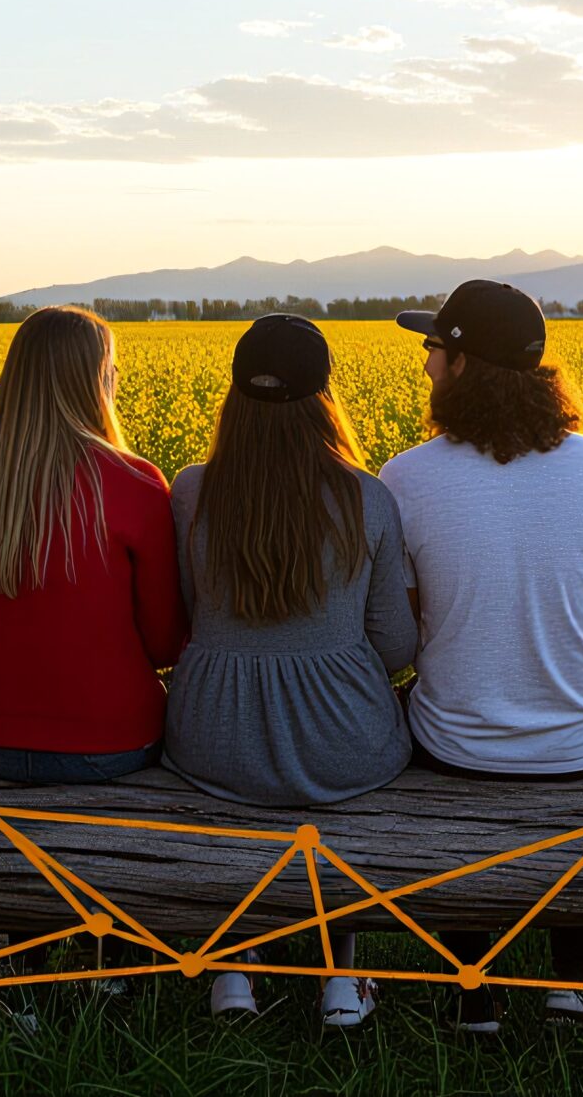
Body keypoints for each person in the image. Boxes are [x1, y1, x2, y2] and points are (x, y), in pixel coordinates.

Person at [380, 279, 583, 1037]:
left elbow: (408, 635)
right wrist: (560, 658)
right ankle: (567, 990)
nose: (427, 364)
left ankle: (475, 994)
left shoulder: (405, 478)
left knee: (429, 731)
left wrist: (483, 656)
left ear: (465, 363)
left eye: (434, 348)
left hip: (458, 746)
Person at [0, 306, 184, 1024]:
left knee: (24, 813)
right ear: (91, 381)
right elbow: (165, 642)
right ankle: (117, 972)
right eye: (111, 373)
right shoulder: (135, 482)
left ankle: (26, 978)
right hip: (111, 743)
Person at [160, 315, 414, 1029]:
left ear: (233, 398)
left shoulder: (191, 490)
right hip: (345, 742)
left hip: (213, 734)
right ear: (323, 399)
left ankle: (233, 973)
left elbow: (185, 616)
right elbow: (396, 646)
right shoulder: (368, 497)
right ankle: (340, 977)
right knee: (337, 792)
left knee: (237, 797)